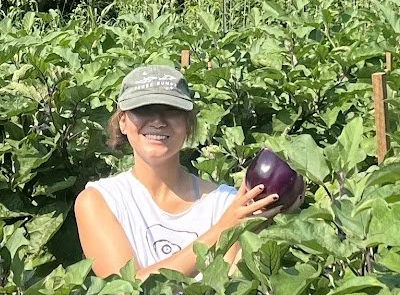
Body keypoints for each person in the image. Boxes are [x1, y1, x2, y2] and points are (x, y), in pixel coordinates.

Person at [74, 64, 278, 279]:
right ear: (123, 122)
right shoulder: (100, 200)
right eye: (144, 109)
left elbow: (233, 291)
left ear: (188, 123)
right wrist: (224, 230)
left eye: (171, 110)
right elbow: (126, 292)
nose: (158, 121)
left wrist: (279, 213)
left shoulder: (228, 203)